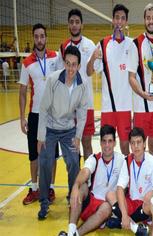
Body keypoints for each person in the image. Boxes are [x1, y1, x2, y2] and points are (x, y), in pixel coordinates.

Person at [37, 45, 88, 220]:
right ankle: (44, 201)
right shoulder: (53, 80)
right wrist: (41, 137)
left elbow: (82, 114)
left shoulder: (82, 85)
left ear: (79, 66)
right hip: (50, 129)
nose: (71, 68)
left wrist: (78, 136)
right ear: (64, 63)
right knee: (44, 161)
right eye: (68, 63)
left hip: (68, 130)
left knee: (74, 161)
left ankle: (71, 196)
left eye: (74, 64)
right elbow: (43, 109)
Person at [58, 125, 125, 236]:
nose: (107, 145)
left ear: (115, 143)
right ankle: (71, 229)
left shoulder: (121, 160)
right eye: (104, 141)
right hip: (89, 204)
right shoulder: (94, 158)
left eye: (110, 141)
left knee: (107, 208)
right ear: (100, 142)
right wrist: (75, 185)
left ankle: (74, 234)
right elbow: (85, 171)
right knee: (82, 186)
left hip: (104, 208)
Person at [19, 23, 60, 205]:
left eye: (42, 36)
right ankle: (35, 189)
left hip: (53, 115)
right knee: (34, 155)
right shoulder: (27, 63)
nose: (39, 39)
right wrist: (22, 118)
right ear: (33, 38)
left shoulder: (55, 57)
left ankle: (50, 188)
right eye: (36, 36)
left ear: (46, 37)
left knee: (51, 155)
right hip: (35, 115)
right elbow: (22, 92)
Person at [87, 4, 134, 155]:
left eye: (123, 18)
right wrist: (93, 57)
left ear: (126, 22)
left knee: (125, 146)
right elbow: (88, 72)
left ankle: (126, 177)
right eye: (117, 18)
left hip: (125, 106)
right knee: (107, 147)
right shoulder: (102, 44)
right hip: (108, 107)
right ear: (112, 20)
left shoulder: (132, 44)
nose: (119, 21)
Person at [127, 3, 153, 158]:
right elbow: (131, 77)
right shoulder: (135, 44)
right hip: (141, 107)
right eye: (148, 18)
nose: (151, 21)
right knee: (139, 150)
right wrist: (143, 94)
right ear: (144, 20)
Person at [58, 9, 96, 159]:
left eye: (77, 22)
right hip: (69, 105)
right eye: (71, 22)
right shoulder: (63, 47)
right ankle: (74, 180)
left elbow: (91, 71)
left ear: (82, 24)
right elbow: (59, 75)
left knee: (87, 143)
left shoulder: (90, 44)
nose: (74, 25)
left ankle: (88, 180)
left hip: (87, 103)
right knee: (72, 146)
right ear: (68, 25)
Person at [105, 127, 153, 235]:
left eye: (139, 142)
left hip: (144, 204)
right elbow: (120, 188)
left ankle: (121, 222)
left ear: (144, 144)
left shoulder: (152, 161)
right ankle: (134, 226)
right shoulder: (127, 160)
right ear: (130, 145)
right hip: (131, 203)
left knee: (151, 201)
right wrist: (124, 215)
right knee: (110, 194)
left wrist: (151, 193)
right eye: (133, 143)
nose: (136, 146)